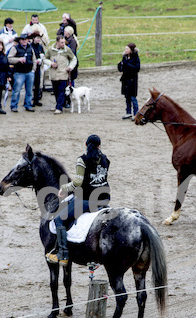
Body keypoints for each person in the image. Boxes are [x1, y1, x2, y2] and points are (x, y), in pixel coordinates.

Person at [46, 135, 110, 266]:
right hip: (104, 199)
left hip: (88, 200)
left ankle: (63, 254)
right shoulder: (105, 159)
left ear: (86, 144)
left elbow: (77, 182)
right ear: (99, 146)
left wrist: (64, 188)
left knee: (59, 220)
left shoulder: (82, 160)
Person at [44, 36, 76, 115]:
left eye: (64, 42)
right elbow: (45, 59)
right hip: (53, 75)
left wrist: (70, 67)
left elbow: (73, 59)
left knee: (61, 91)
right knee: (56, 91)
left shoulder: (67, 50)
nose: (63, 44)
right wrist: (51, 63)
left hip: (63, 74)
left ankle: (59, 108)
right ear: (57, 42)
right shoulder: (50, 50)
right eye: (61, 42)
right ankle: (57, 105)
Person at [8, 33, 36, 113]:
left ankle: (28, 105)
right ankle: (14, 105)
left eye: (26, 39)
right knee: (16, 90)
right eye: (23, 39)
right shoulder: (15, 48)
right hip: (19, 72)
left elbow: (34, 59)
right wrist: (18, 59)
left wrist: (33, 69)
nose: (24, 41)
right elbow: (9, 59)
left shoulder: (30, 48)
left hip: (29, 72)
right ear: (19, 40)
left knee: (29, 90)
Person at [117, 42, 140, 121]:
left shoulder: (135, 58)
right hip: (125, 80)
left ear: (131, 50)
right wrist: (120, 65)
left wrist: (127, 64)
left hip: (132, 80)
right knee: (127, 97)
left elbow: (137, 68)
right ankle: (128, 112)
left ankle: (136, 113)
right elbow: (122, 69)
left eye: (127, 49)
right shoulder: (125, 57)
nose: (125, 50)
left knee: (133, 97)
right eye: (125, 49)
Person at [30, 31, 45, 107]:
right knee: (30, 85)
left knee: (37, 84)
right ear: (33, 38)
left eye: (39, 38)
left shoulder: (40, 46)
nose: (39, 39)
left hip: (38, 67)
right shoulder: (30, 46)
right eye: (37, 38)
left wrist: (41, 59)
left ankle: (36, 100)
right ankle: (29, 100)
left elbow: (43, 54)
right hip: (31, 67)